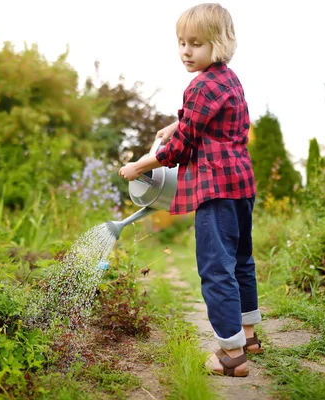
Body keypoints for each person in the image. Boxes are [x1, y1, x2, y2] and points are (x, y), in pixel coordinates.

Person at [118, 3, 262, 377]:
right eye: (182, 42)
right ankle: (248, 336)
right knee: (241, 262)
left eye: (195, 44)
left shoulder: (198, 85)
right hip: (241, 186)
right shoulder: (228, 79)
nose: (185, 51)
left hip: (214, 189)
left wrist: (138, 166)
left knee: (216, 268)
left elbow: (180, 148)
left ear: (218, 43)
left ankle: (231, 357)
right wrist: (174, 123)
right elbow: (200, 118)